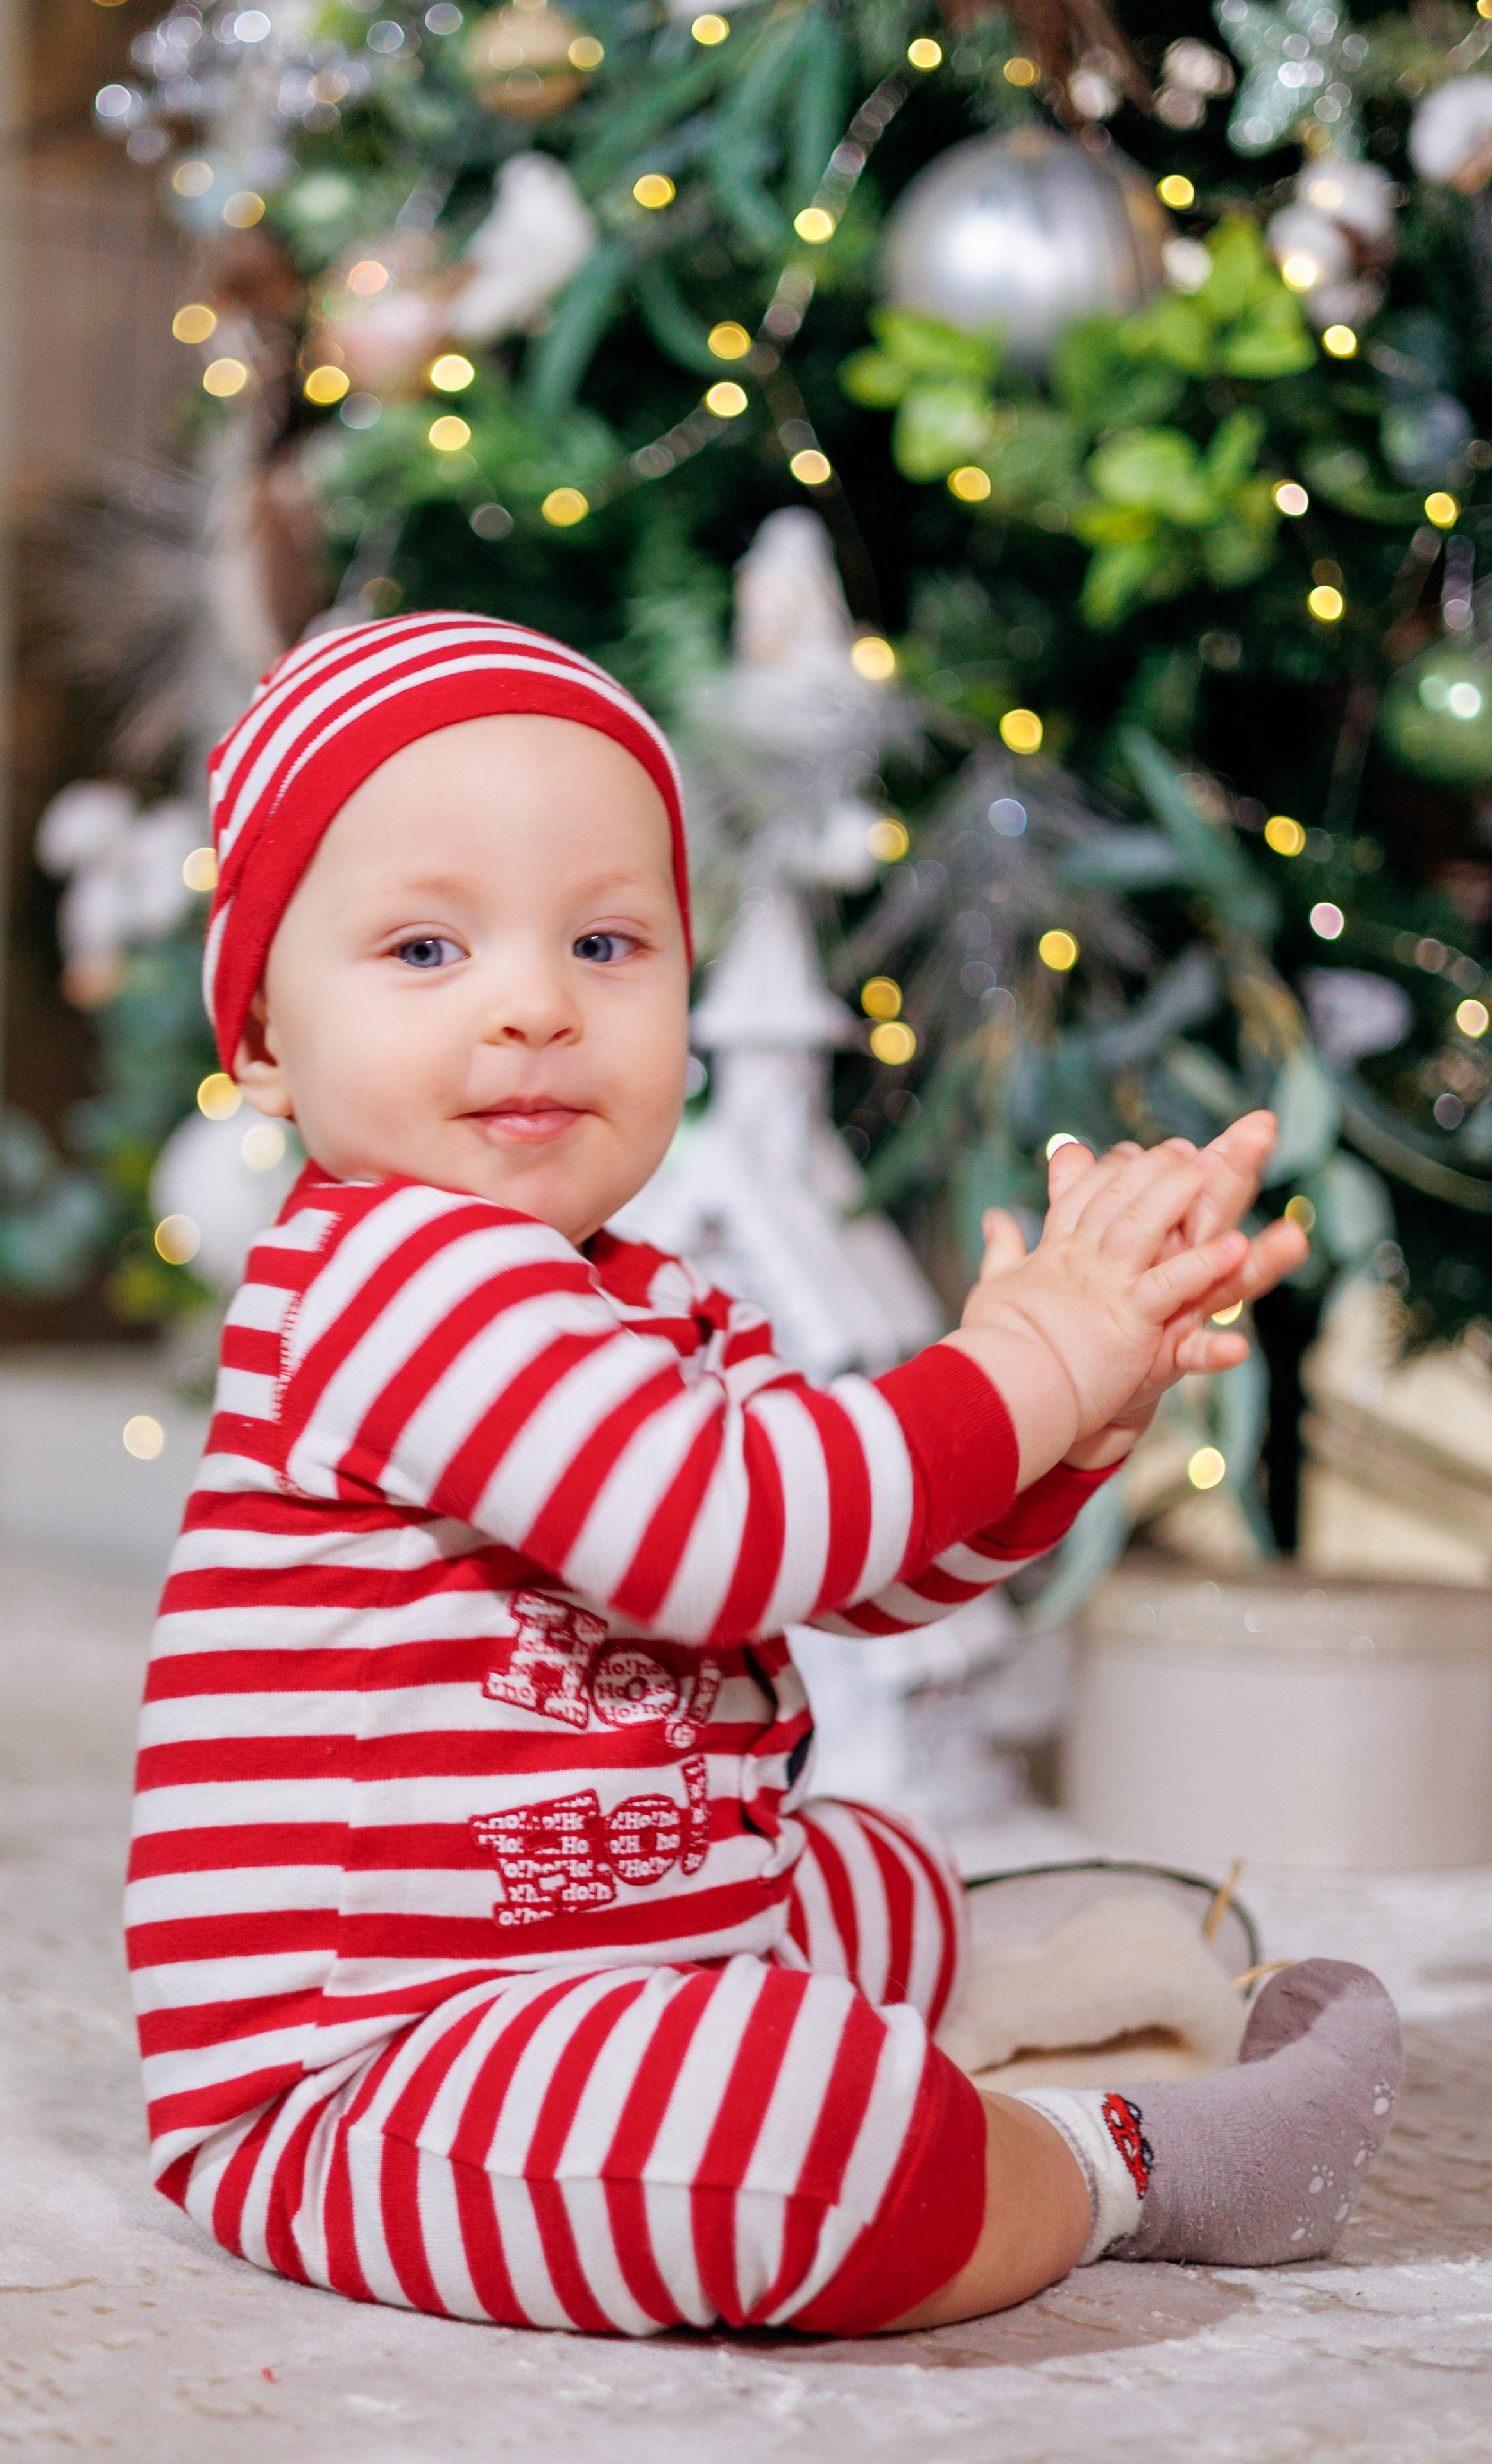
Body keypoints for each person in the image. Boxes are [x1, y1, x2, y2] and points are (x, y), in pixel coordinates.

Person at [127, 612, 1401, 2338]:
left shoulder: (648, 1298)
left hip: (609, 1925)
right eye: (426, 949)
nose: (532, 1006)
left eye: (605, 940)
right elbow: (716, 1542)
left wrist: (1069, 1427)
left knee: (862, 1862)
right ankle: (1122, 2158)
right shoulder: (387, 1275)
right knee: (795, 2124)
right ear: (265, 1037)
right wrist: (1018, 1366)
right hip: (371, 2067)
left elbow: (854, 1565)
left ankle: (996, 1977)